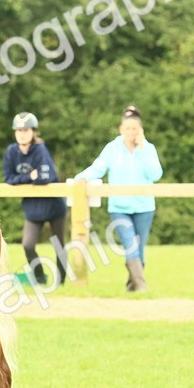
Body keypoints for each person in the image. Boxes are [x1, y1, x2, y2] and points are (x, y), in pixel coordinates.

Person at [72, 105, 163, 292]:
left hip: (144, 207)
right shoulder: (112, 148)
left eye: (134, 129)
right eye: (127, 129)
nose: (131, 132)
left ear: (140, 131)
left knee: (140, 248)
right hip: (119, 207)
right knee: (130, 245)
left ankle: (132, 286)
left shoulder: (148, 149)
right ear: (121, 130)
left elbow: (155, 174)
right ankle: (141, 286)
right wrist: (81, 177)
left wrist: (143, 149)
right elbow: (98, 168)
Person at [2, 112, 67, 285]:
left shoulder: (40, 149)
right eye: (19, 130)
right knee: (28, 245)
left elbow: (45, 177)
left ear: (33, 132)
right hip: (33, 207)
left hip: (54, 205)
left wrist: (25, 179)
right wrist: (29, 177)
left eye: (26, 130)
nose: (22, 133)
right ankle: (40, 277)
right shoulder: (11, 152)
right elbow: (8, 179)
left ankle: (61, 281)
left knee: (58, 244)